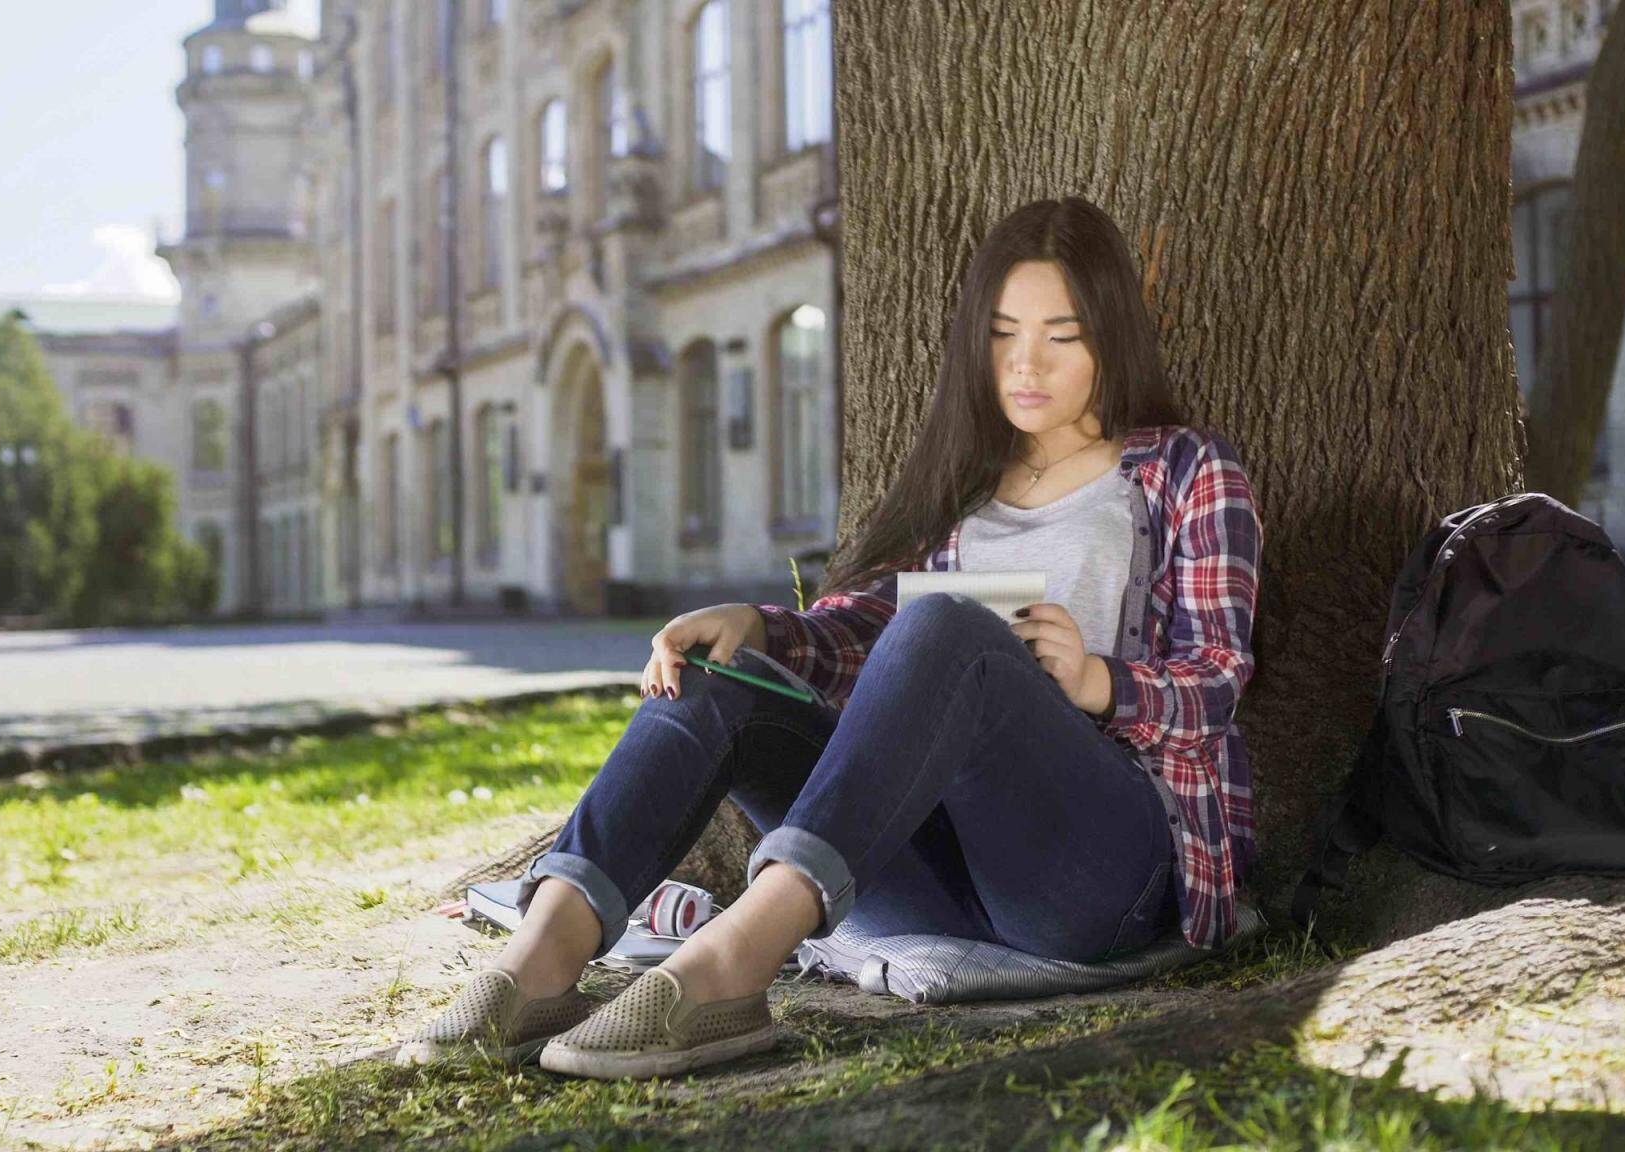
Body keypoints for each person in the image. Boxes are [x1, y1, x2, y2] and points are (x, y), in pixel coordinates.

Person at [397, 195, 1263, 1080]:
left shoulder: (1184, 471)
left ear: (1110, 334)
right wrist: (758, 627)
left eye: (1060, 336)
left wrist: (1097, 682)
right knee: (724, 676)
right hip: (927, 882)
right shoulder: (962, 488)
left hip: (1094, 873)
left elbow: (1220, 677)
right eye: (1003, 334)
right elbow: (869, 638)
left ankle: (737, 961)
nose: (1024, 363)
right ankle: (543, 956)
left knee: (947, 625)